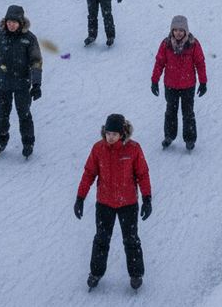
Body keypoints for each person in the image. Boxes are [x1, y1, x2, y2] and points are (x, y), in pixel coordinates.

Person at [75, 114, 151, 291]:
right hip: (105, 203)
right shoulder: (98, 149)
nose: (110, 137)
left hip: (128, 204)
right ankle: (96, 273)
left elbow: (143, 174)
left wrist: (147, 198)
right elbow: (89, 174)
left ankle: (136, 274)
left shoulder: (133, 149)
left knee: (131, 240)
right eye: (108, 133)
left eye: (114, 134)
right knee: (101, 239)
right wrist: (80, 198)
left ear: (122, 133)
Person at [0, 4, 42, 159]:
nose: (11, 24)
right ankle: (0, 141)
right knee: (2, 114)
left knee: (24, 114)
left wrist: (37, 84)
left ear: (21, 22)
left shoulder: (29, 39)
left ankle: (28, 143)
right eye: (9, 21)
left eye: (14, 22)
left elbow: (36, 61)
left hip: (22, 84)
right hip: (3, 83)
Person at [151, 15, 207, 151]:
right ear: (172, 30)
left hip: (188, 86)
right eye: (175, 30)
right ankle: (169, 136)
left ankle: (189, 139)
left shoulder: (193, 44)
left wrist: (203, 82)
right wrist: (154, 81)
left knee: (188, 113)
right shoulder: (166, 44)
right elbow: (159, 63)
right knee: (171, 111)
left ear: (186, 31)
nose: (178, 33)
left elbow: (200, 63)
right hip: (171, 85)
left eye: (181, 30)